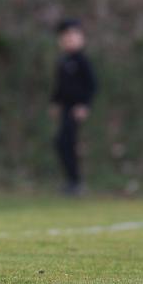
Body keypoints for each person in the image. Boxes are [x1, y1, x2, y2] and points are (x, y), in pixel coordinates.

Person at [50, 18, 97, 196]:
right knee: (61, 143)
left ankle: (76, 182)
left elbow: (92, 85)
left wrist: (84, 105)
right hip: (65, 108)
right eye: (65, 36)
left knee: (67, 142)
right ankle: (71, 180)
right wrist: (55, 102)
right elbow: (60, 86)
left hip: (75, 109)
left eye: (73, 35)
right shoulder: (63, 61)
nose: (69, 39)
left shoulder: (82, 61)